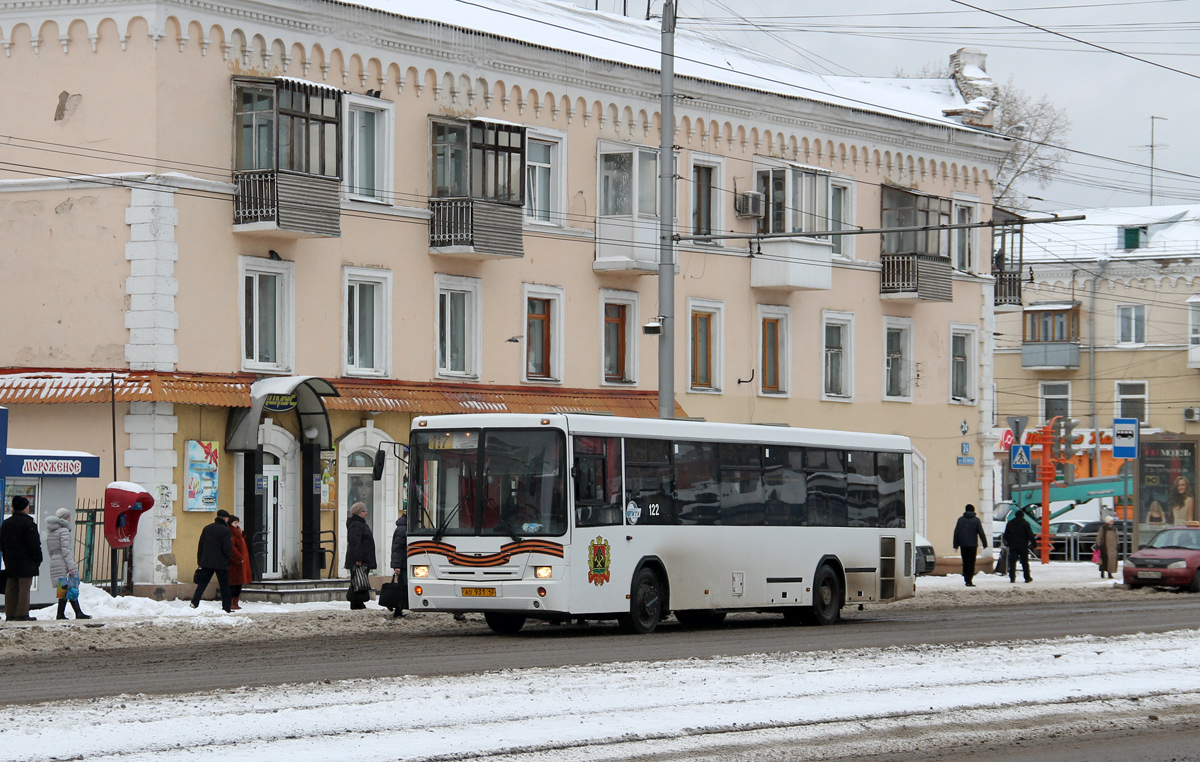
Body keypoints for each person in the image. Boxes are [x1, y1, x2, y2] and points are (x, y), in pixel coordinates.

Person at [0, 496, 43, 622]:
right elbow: (34, 544)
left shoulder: (6, 524)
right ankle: (22, 614)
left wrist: (8, 556)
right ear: (24, 508)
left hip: (11, 561)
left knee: (11, 587)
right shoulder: (28, 523)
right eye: (27, 506)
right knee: (24, 588)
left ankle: (10, 613)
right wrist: (37, 559)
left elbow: (2, 543)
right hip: (26, 562)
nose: (29, 508)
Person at [46, 507, 91, 620]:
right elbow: (66, 551)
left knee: (64, 588)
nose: (70, 519)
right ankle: (73, 613)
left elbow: (50, 550)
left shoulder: (51, 532)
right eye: (69, 517)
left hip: (55, 561)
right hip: (64, 562)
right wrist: (71, 567)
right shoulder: (64, 531)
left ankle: (67, 613)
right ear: (65, 518)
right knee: (70, 586)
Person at [190, 509, 234, 612]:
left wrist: (200, 561)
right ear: (225, 519)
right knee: (224, 587)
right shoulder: (226, 531)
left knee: (202, 585)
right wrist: (229, 558)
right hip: (221, 563)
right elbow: (227, 548)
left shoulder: (207, 528)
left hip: (207, 562)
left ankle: (194, 603)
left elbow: (201, 545)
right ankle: (226, 607)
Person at [345, 502, 376, 610]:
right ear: (358, 513)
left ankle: (356, 604)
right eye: (363, 511)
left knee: (358, 581)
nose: (366, 513)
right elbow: (355, 543)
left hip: (363, 559)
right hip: (359, 560)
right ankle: (357, 603)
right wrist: (358, 558)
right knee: (358, 582)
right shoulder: (356, 525)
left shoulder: (360, 524)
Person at [952, 503, 988, 587]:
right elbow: (981, 532)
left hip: (963, 545)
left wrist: (955, 545)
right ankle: (969, 579)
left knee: (965, 562)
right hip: (972, 545)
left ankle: (966, 578)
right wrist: (984, 543)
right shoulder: (976, 520)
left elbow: (956, 533)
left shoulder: (960, 520)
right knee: (971, 563)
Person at [1003, 509, 1036, 584]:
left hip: (1013, 546)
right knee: (1025, 562)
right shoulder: (1025, 524)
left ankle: (1012, 578)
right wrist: (1034, 544)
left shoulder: (1010, 523)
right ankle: (1027, 577)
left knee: (1012, 563)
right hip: (1023, 546)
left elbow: (1006, 534)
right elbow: (1030, 535)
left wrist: (1008, 543)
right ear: (1022, 516)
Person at [227, 515, 252, 611]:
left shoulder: (238, 533)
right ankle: (231, 602)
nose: (236, 525)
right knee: (234, 582)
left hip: (241, 562)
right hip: (235, 563)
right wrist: (238, 558)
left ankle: (235, 602)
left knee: (239, 583)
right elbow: (232, 548)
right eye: (234, 523)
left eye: (237, 523)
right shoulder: (231, 533)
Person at [388, 511, 409, 618]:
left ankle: (398, 609)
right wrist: (397, 566)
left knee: (403, 587)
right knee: (402, 588)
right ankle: (397, 609)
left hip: (404, 564)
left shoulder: (405, 527)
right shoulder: (402, 529)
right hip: (403, 565)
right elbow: (397, 549)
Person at [1095, 515, 1119, 580]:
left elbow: (1116, 536)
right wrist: (1098, 545)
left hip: (1113, 547)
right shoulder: (1103, 528)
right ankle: (1102, 572)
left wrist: (1117, 544)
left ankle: (1110, 573)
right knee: (1104, 559)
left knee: (1112, 560)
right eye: (1111, 521)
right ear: (1108, 521)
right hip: (1105, 547)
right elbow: (1099, 537)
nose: (1113, 522)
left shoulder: (1114, 528)